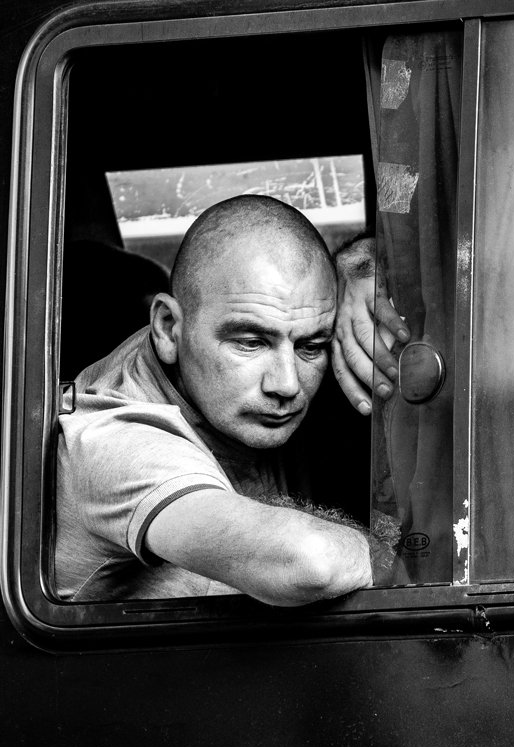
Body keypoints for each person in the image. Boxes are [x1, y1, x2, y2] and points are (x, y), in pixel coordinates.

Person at [55, 194, 388, 604]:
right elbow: (311, 563)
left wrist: (357, 266)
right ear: (167, 328)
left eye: (311, 347)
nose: (287, 385)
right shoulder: (114, 441)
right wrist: (411, 557)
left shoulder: (222, 346)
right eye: (250, 343)